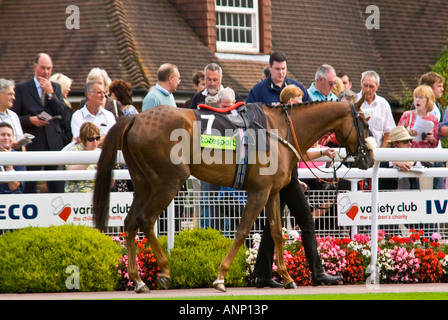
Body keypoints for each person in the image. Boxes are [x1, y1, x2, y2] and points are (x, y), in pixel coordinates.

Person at [249, 81, 340, 287]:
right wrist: (324, 151)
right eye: (299, 100)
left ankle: (262, 274)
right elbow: (300, 152)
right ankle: (317, 273)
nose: (302, 103)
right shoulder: (289, 121)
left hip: (286, 177)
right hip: (286, 179)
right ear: (291, 101)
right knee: (306, 221)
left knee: (273, 224)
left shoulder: (280, 119)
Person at [11, 53, 70, 193]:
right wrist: (30, 120)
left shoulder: (55, 88)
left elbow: (62, 113)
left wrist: (51, 94)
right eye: (43, 68)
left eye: (49, 68)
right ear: (35, 67)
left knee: (56, 186)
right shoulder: (22, 88)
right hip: (32, 142)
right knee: (30, 185)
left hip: (53, 142)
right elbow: (14, 117)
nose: (47, 72)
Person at [357, 70, 396, 148]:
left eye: (371, 86)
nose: (367, 89)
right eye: (365, 85)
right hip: (356, 153)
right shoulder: (353, 101)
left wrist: (381, 152)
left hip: (378, 151)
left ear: (377, 87)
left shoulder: (383, 104)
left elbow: (389, 132)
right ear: (361, 84)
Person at [71, 80, 116, 145]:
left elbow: (114, 138)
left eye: (104, 93)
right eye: (99, 93)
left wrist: (90, 139)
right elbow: (80, 140)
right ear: (89, 95)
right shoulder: (77, 116)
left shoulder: (109, 115)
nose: (103, 96)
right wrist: (105, 138)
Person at [397, 85, 439, 150]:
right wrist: (407, 133)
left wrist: (431, 139)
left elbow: (436, 144)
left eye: (421, 97)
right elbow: (396, 136)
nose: (417, 100)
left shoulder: (434, 119)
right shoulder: (407, 115)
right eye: (416, 97)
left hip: (425, 157)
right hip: (409, 155)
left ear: (428, 100)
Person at [65, 122, 101, 193]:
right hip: (75, 194)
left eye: (97, 138)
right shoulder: (73, 150)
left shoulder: (100, 152)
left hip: (95, 193)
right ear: (82, 139)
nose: (95, 142)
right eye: (91, 139)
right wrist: (90, 160)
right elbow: (70, 171)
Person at [0, 122, 25, 194]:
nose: (6, 138)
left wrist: (8, 164)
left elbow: (13, 187)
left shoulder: (20, 158)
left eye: (9, 135)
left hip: (13, 200)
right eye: (2, 135)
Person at [0, 79, 25, 151]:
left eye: (13, 94)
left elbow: (22, 146)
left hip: (17, 160)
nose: (13, 98)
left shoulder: (14, 116)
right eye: (10, 94)